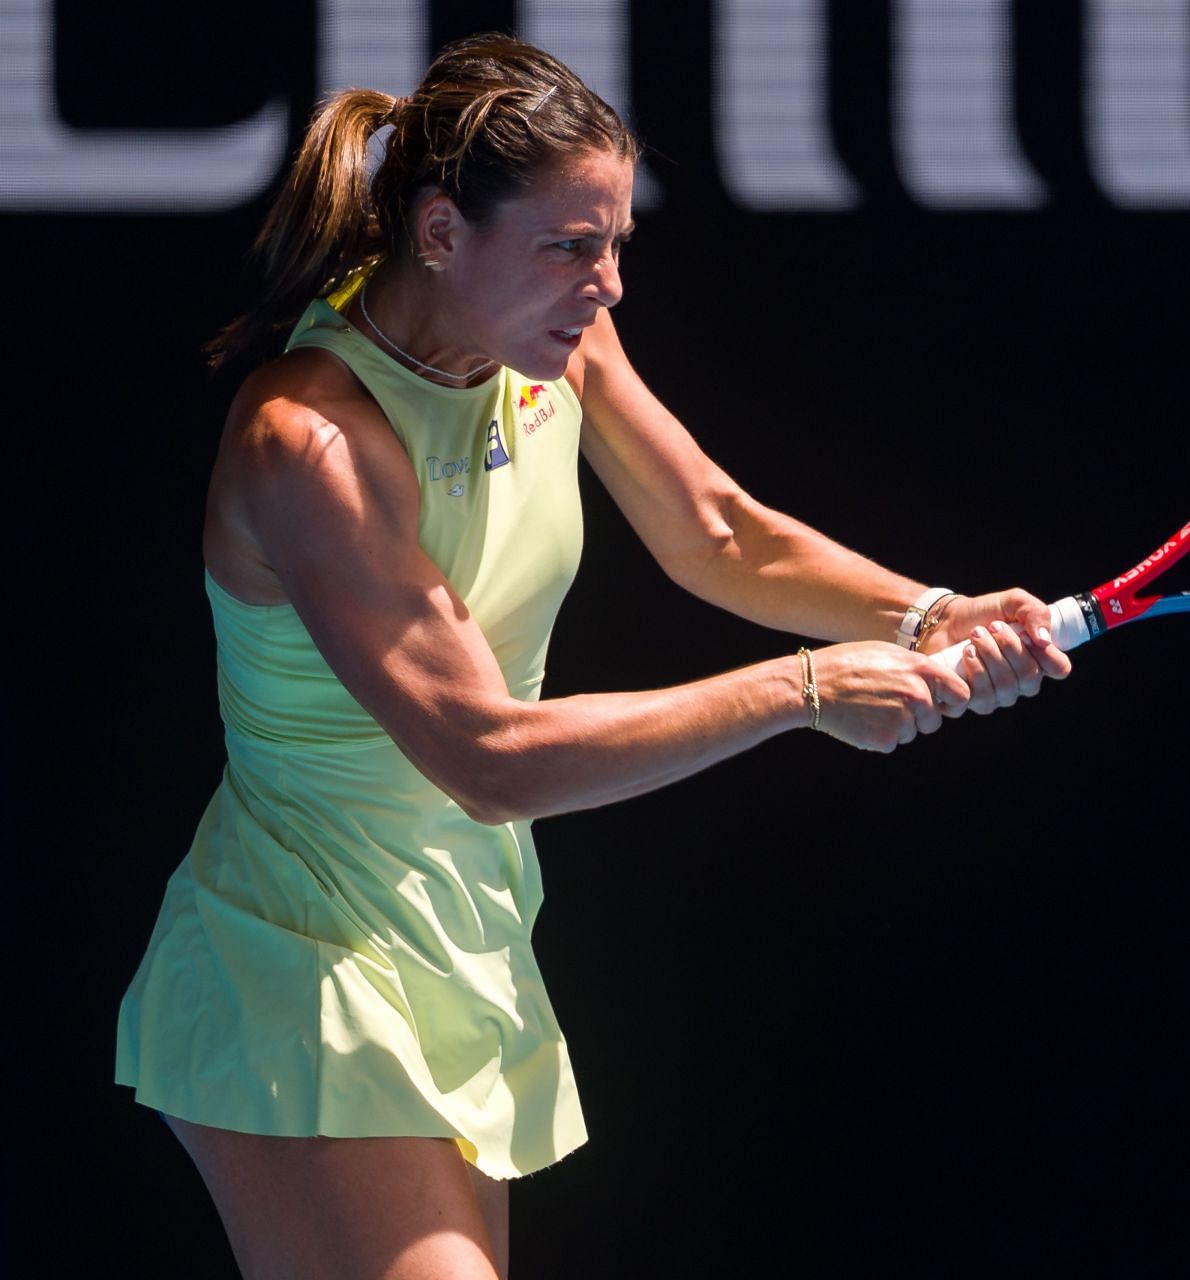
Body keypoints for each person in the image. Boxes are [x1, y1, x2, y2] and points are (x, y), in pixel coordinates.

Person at [115, 33, 1069, 1280]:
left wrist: (924, 613)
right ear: (443, 233)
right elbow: (488, 755)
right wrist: (805, 685)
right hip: (295, 957)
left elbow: (720, 531)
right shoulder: (312, 442)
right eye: (572, 245)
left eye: (615, 242)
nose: (606, 282)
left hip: (464, 935)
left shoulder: (549, 340)